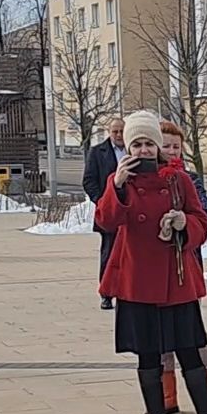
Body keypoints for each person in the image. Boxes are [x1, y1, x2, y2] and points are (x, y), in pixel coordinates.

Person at [95, 112, 207, 414]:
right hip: (137, 281)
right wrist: (117, 186)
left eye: (149, 143)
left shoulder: (178, 179)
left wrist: (184, 222)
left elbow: (201, 221)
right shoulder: (119, 180)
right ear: (128, 148)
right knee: (148, 358)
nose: (144, 150)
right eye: (136, 144)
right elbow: (106, 221)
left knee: (190, 353)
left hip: (175, 280)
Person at [157, 122, 207, 414]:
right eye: (166, 145)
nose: (172, 151)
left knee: (193, 333)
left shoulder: (191, 178)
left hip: (185, 264)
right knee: (159, 336)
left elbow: (204, 215)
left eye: (176, 146)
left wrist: (184, 221)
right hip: (156, 269)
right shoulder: (145, 178)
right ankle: (166, 395)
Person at [83, 116, 128, 310]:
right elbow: (89, 181)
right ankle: (106, 294)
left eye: (121, 131)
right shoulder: (97, 152)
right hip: (109, 212)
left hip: (130, 212)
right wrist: (102, 202)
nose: (118, 135)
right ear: (109, 132)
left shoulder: (133, 150)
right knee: (108, 254)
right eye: (115, 131)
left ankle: (127, 292)